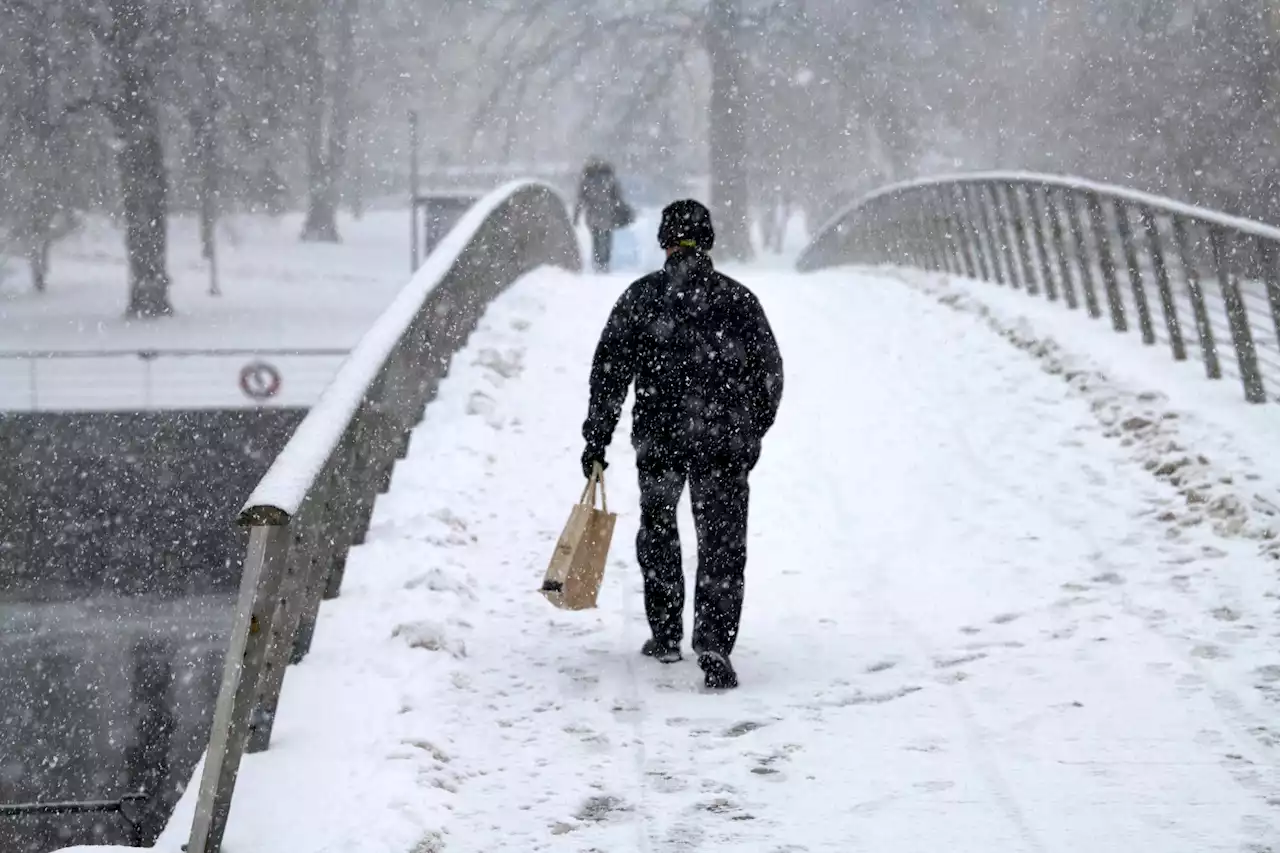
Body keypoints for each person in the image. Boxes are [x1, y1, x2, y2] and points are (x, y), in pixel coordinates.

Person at [579, 200, 784, 690]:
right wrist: (749, 431)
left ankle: (667, 632)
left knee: (660, 528)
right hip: (722, 440)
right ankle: (713, 641)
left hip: (661, 437)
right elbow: (770, 376)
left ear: (664, 242)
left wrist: (597, 437)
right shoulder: (738, 301)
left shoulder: (642, 299)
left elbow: (609, 373)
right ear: (708, 241)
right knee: (722, 543)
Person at [574, 158, 634, 273]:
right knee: (607, 238)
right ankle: (605, 262)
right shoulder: (610, 180)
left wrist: (576, 216)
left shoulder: (587, 180)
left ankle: (598, 262)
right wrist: (623, 210)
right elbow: (618, 198)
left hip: (593, 213)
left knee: (596, 239)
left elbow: (580, 200)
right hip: (608, 213)